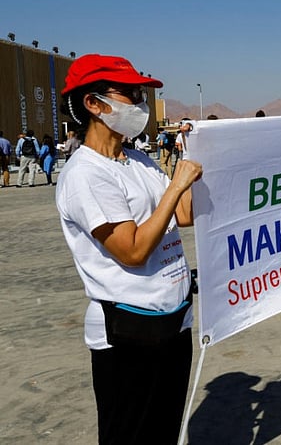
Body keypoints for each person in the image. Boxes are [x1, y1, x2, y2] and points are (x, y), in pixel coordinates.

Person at [55, 54, 202, 444]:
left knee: (164, 431)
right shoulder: (85, 175)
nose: (139, 104)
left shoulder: (138, 160)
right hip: (128, 334)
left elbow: (183, 215)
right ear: (94, 104)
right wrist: (174, 186)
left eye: (141, 95)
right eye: (131, 94)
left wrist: (191, 157)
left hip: (173, 321)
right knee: (131, 434)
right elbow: (132, 250)